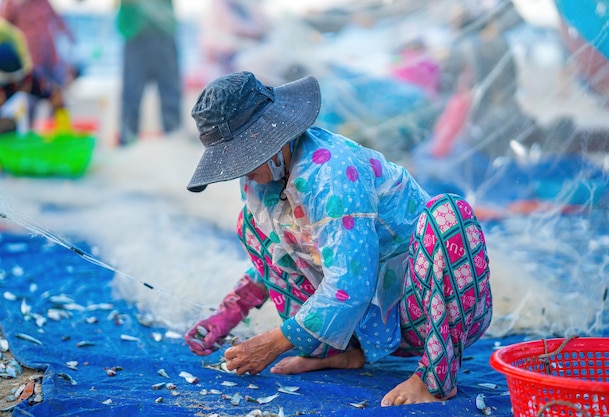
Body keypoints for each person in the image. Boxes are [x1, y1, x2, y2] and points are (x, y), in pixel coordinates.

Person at [183, 71, 493, 406]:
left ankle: (433, 379)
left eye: (243, 158)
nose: (241, 171)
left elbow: (351, 285)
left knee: (447, 214)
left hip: (419, 308)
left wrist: (273, 342)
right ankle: (342, 350)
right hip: (362, 318)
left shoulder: (331, 173)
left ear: (273, 141)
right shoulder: (262, 181)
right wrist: (229, 312)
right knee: (250, 225)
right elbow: (281, 256)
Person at [116, 0, 182, 146]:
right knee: (131, 97)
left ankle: (174, 141)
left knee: (170, 96)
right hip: (136, 32)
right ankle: (128, 142)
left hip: (162, 29)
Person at [0, 0, 74, 121]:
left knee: (54, 93)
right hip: (29, 60)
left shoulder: (43, 2)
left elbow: (56, 18)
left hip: (45, 61)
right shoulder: (11, 4)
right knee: (25, 111)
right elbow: (4, 25)